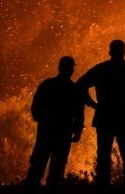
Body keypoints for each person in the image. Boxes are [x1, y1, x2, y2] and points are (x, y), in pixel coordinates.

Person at [76, 39, 125, 190]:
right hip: (124, 117)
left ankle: (103, 187)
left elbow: (80, 84)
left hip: (105, 117)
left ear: (110, 52)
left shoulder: (102, 69)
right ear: (124, 51)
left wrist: (92, 104)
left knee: (104, 156)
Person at [23, 56, 85, 192]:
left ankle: (30, 188)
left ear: (59, 68)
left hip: (46, 131)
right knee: (57, 167)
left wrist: (42, 119)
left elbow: (35, 107)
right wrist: (77, 131)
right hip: (64, 133)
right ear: (71, 69)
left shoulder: (47, 85)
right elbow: (79, 113)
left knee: (38, 163)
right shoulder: (74, 89)